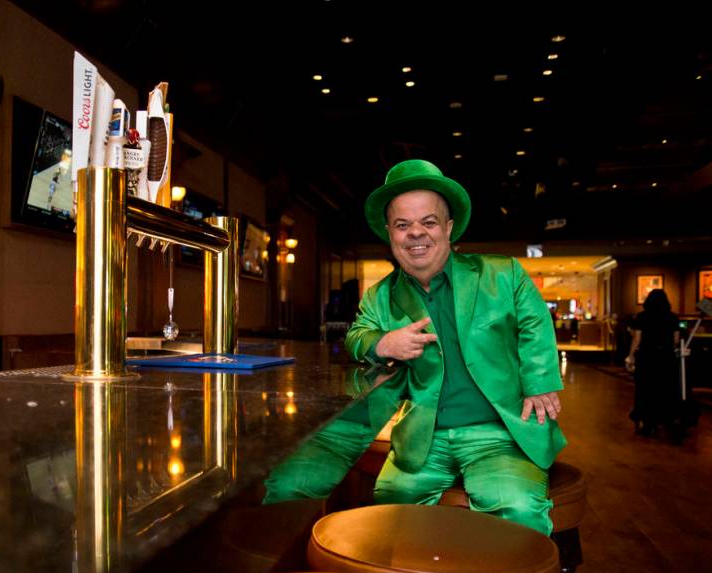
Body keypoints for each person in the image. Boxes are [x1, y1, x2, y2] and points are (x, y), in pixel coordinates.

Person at [265, 160, 565, 536]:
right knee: (391, 503)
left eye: (428, 222)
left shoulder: (501, 273)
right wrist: (382, 342)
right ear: (389, 233)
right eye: (403, 225)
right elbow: (358, 337)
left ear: (449, 228)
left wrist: (540, 380)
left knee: (518, 508)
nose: (415, 234)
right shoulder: (380, 296)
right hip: (425, 438)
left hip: (498, 434)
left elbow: (534, 322)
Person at [625, 289, 681, 438]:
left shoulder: (642, 317)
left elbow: (637, 339)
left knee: (646, 389)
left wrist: (631, 356)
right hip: (667, 357)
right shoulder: (673, 317)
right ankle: (666, 419)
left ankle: (649, 423)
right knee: (665, 388)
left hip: (647, 357)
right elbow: (676, 340)